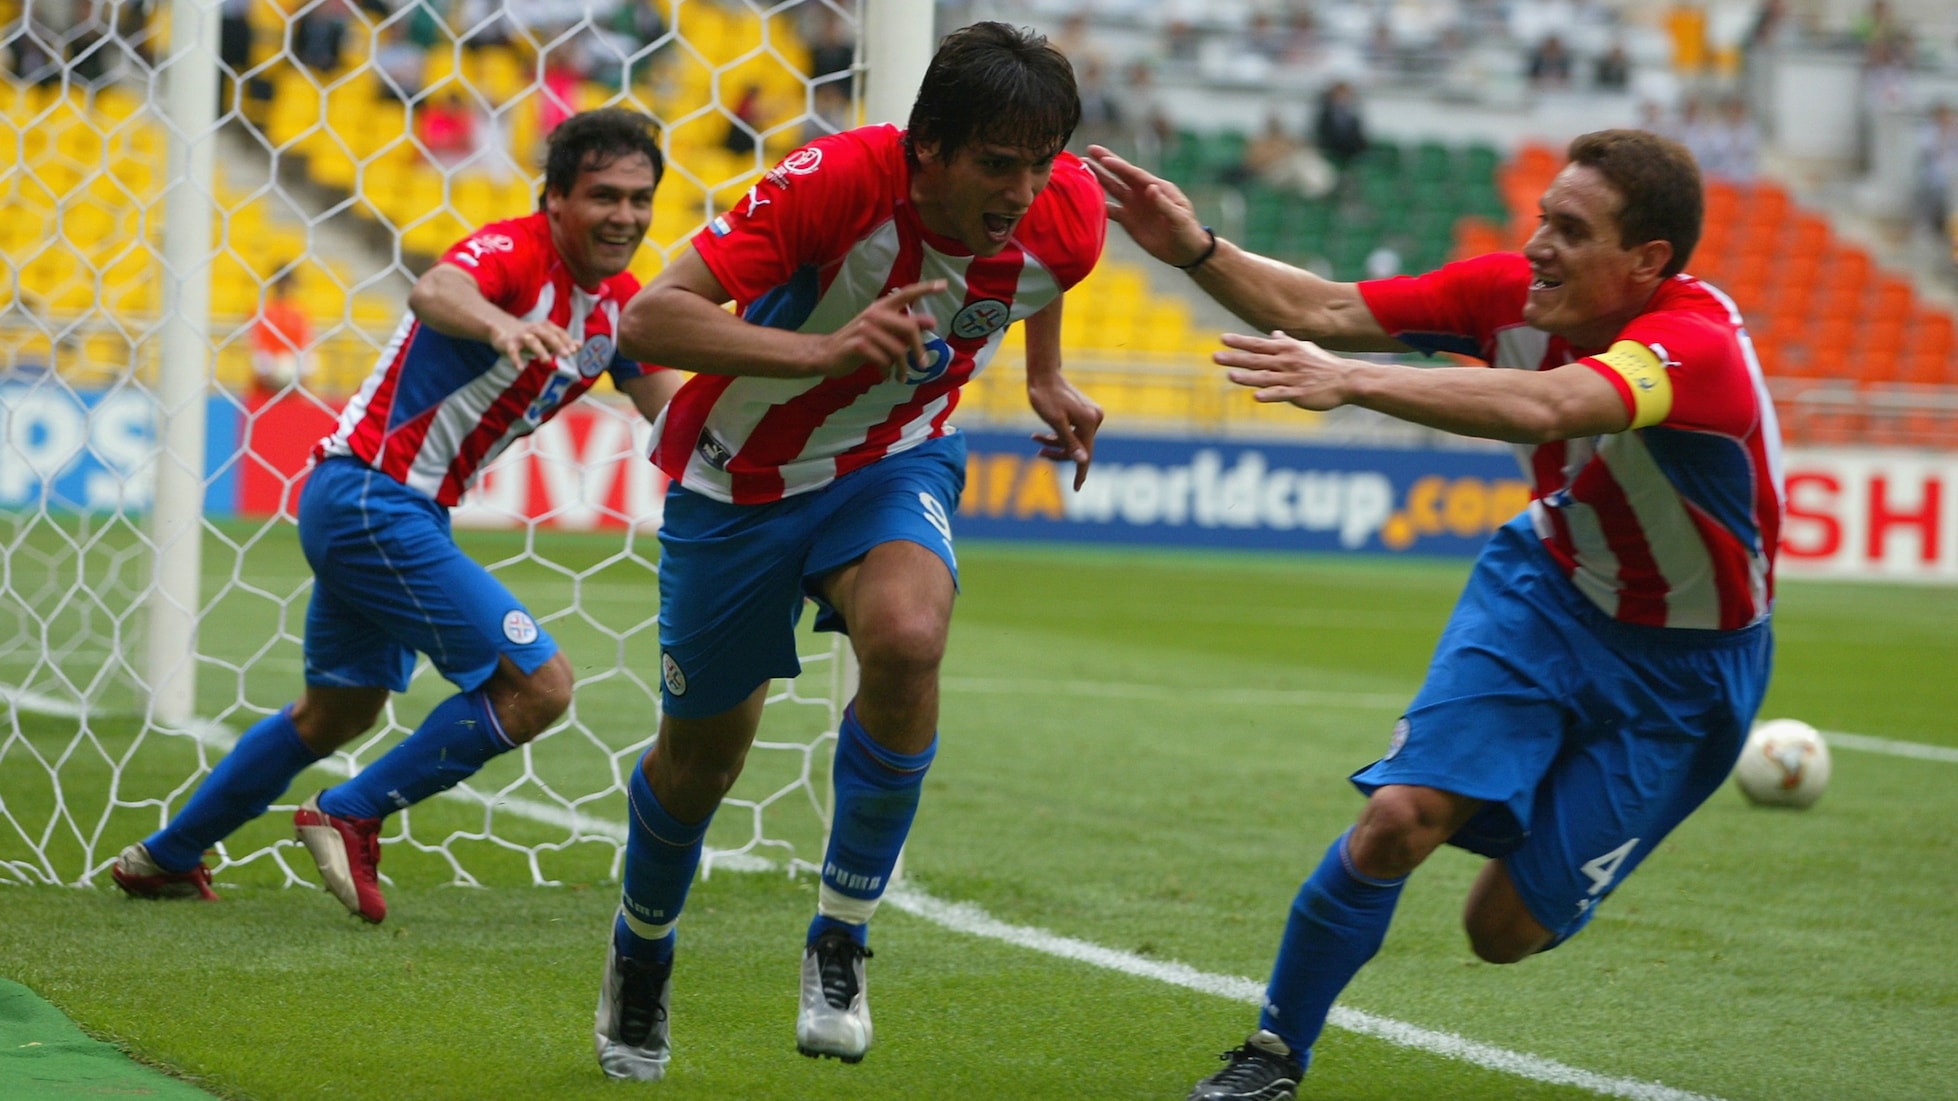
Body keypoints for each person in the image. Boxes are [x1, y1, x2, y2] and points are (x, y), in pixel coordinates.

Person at [1088, 128, 1781, 1101]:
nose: (1537, 244)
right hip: (1545, 594)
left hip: (1685, 675)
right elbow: (1319, 308)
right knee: (1396, 820)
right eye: (1541, 217)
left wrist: (1354, 382)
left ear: (1646, 262)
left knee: (1497, 935)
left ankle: (1533, 796)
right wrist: (1195, 248)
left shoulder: (1694, 342)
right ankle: (1271, 1058)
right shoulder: (1510, 294)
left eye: (1570, 231)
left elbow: (1554, 406)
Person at [591, 21, 1106, 1082]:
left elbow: (1039, 277)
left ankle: (839, 936)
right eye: (995, 164)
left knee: (909, 637)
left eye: (1038, 162)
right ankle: (640, 947)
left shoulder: (1066, 214)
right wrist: (823, 348)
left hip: (891, 459)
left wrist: (1044, 377)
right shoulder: (833, 180)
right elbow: (646, 322)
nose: (1021, 189)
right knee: (700, 766)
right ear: (928, 148)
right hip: (733, 483)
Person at [109, 109, 685, 921]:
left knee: (336, 710)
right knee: (542, 685)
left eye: (640, 197)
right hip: (372, 497)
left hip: (390, 510)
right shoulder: (515, 254)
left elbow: (675, 418)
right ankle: (352, 810)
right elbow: (433, 288)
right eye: (603, 195)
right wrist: (502, 325)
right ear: (554, 199)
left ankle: (163, 857)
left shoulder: (619, 309)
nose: (625, 214)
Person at [248, 269, 313, 400]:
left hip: (294, 379)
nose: (284, 286)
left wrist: (300, 371)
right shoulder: (261, 311)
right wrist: (268, 368)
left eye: (287, 282)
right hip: (265, 380)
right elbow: (255, 343)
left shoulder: (299, 313)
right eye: (281, 282)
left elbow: (306, 345)